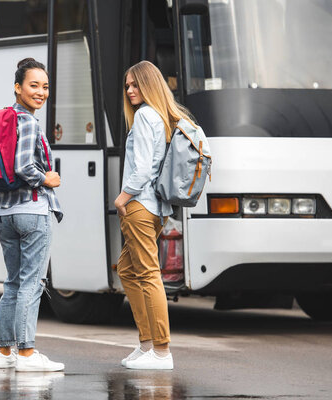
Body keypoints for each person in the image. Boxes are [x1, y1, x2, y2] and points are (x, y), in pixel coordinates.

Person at [114, 60, 196, 370]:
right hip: (155, 207)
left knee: (148, 273)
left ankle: (161, 351)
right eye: (128, 86)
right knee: (127, 269)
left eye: (136, 85)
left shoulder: (145, 116)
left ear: (150, 85)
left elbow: (144, 167)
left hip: (140, 205)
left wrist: (122, 198)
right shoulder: (160, 117)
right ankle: (147, 344)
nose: (131, 90)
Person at [0, 58, 64, 372]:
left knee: (12, 283)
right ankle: (26, 354)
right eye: (34, 85)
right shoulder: (29, 122)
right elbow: (23, 166)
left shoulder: (5, 120)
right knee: (32, 284)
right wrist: (45, 178)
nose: (41, 92)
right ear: (17, 87)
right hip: (33, 211)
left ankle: (4, 352)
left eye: (45, 86)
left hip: (6, 212)